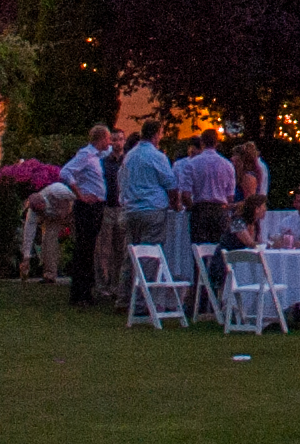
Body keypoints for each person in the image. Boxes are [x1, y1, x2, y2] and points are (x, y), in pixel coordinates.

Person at [118, 121, 180, 303]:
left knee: (130, 254)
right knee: (149, 256)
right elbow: (171, 183)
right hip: (152, 210)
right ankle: (141, 301)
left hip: (131, 210)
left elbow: (122, 181)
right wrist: (174, 203)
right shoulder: (157, 156)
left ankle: (123, 297)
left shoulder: (129, 156)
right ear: (156, 134)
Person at [60, 124, 113, 308]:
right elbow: (66, 172)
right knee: (84, 248)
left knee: (90, 249)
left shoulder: (98, 156)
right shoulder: (86, 155)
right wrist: (79, 194)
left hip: (97, 205)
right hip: (87, 207)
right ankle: (79, 293)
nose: (110, 142)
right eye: (107, 139)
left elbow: (111, 152)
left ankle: (86, 291)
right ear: (100, 139)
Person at [176, 133, 241, 251]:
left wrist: (192, 207)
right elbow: (230, 197)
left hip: (200, 210)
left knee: (199, 250)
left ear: (202, 143)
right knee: (220, 251)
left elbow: (185, 195)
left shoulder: (192, 164)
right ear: (217, 143)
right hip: (220, 210)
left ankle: (200, 269)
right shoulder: (227, 165)